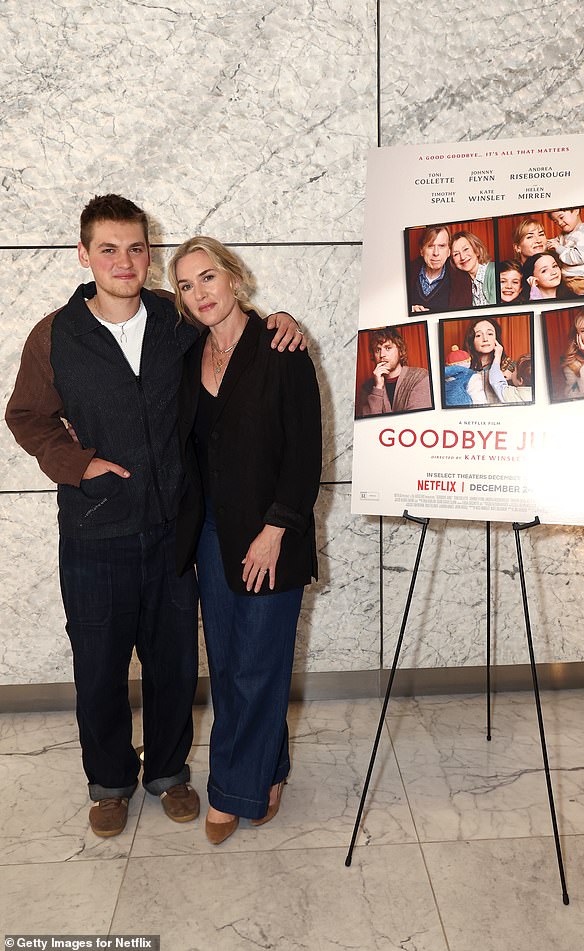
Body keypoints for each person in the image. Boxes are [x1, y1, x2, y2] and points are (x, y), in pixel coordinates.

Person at [5, 194, 303, 838]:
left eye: (136, 247)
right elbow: (25, 416)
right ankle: (109, 781)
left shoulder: (175, 321)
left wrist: (278, 319)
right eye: (107, 248)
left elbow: (233, 328)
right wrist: (76, 463)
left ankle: (168, 772)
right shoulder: (55, 333)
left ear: (150, 255)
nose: (123, 260)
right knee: (100, 665)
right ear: (83, 255)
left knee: (173, 665)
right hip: (95, 531)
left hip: (175, 531)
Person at [169, 236, 322, 845]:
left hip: (270, 533)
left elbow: (304, 453)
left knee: (258, 664)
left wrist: (276, 528)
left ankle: (234, 789)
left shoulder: (280, 348)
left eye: (208, 277)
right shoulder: (187, 355)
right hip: (208, 529)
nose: (199, 293)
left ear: (235, 278)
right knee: (233, 661)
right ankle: (271, 767)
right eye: (185, 285)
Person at [359, 327, 431, 416]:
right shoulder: (367, 387)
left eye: (388, 348)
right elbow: (367, 425)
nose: (382, 355)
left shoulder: (420, 377)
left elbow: (418, 419)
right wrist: (378, 388)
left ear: (400, 351)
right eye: (378, 350)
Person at [408, 225, 472, 313]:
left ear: (449, 251)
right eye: (430, 246)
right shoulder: (406, 273)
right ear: (421, 250)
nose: (436, 253)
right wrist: (407, 311)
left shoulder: (462, 281)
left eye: (442, 246)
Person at [462, 316, 509, 404]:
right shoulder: (464, 370)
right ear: (471, 340)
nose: (485, 339)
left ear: (496, 338)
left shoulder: (510, 368)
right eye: (478, 335)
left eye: (490, 334)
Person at [547, 208, 584, 297]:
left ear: (576, 210)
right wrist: (544, 243)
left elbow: (579, 257)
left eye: (561, 217)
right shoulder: (564, 234)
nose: (559, 223)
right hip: (568, 278)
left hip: (580, 279)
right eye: (555, 221)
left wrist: (559, 248)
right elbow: (554, 243)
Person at [450, 231, 496, 306]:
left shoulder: (494, 271)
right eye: (456, 254)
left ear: (477, 250)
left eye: (465, 249)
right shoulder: (466, 282)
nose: (462, 257)